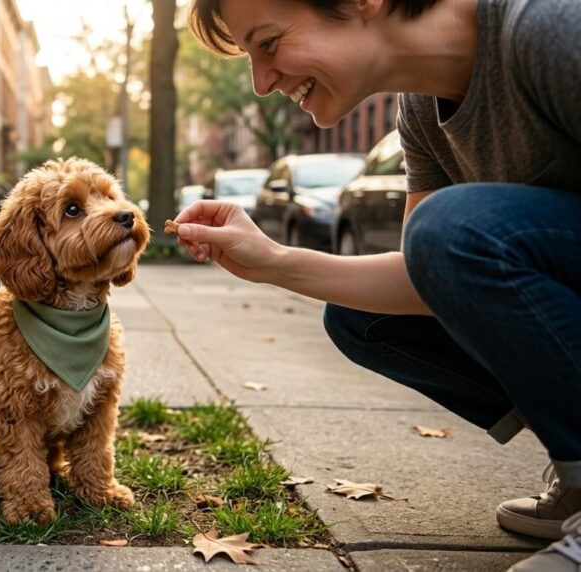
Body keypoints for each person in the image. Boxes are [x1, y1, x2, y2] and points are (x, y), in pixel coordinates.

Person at [178, 0, 580, 570]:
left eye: (267, 44)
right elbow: (428, 275)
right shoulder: (419, 113)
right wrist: (273, 261)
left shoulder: (550, 28)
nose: (262, 82)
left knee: (450, 226)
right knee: (360, 316)